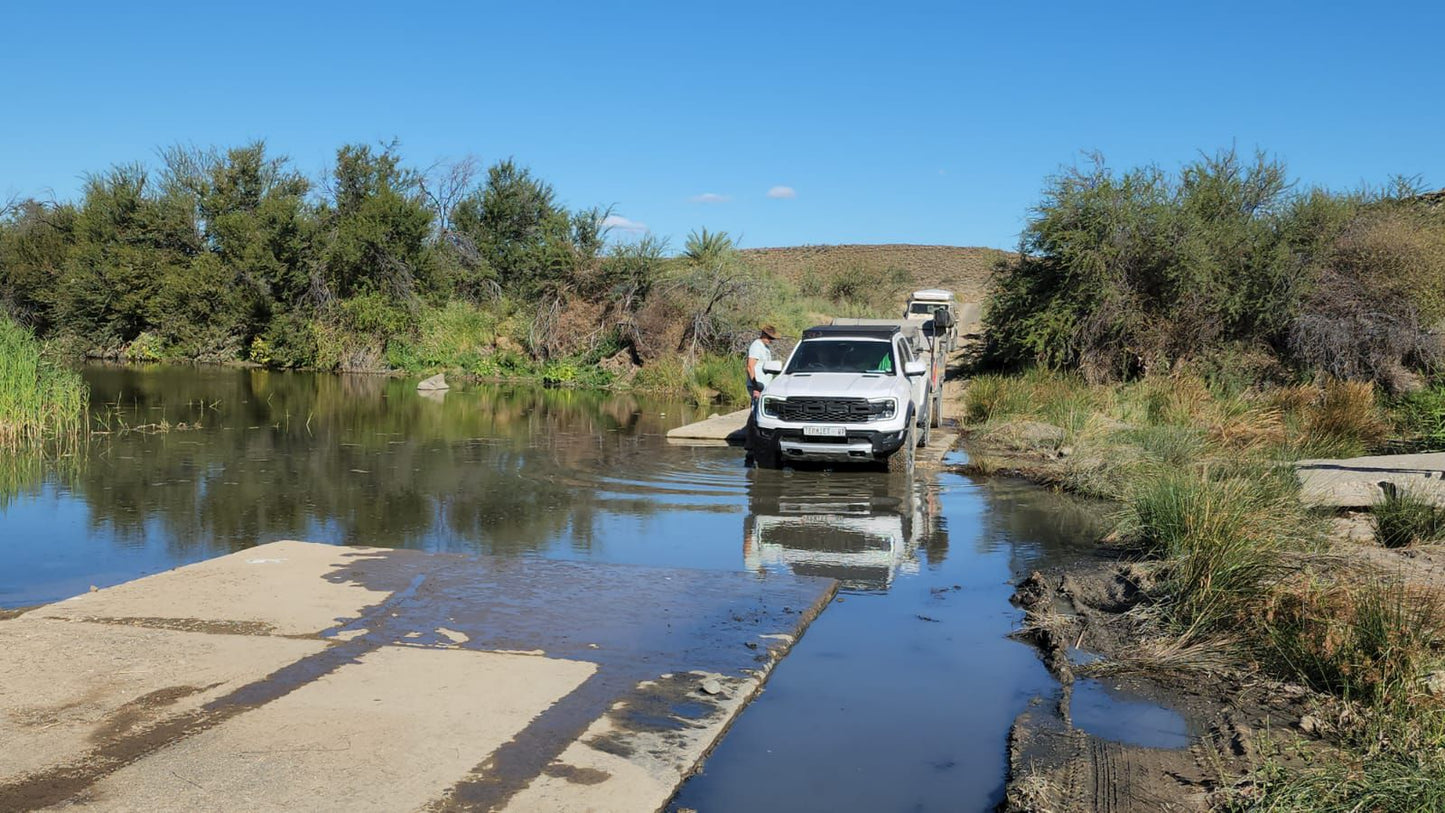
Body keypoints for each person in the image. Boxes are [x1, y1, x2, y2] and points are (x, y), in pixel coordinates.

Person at [746, 325, 779, 406]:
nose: (771, 340)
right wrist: (755, 387)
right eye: (769, 338)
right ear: (764, 335)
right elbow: (750, 366)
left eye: (772, 338)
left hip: (764, 385)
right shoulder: (757, 346)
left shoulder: (766, 347)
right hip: (757, 385)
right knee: (757, 411)